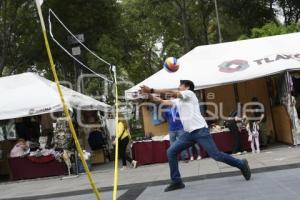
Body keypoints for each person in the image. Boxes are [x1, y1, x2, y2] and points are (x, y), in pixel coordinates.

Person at [141, 80, 251, 192]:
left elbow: (171, 93)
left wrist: (151, 90)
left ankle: (241, 164)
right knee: (171, 152)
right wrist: (149, 95)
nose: (178, 87)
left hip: (200, 131)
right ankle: (177, 181)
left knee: (216, 155)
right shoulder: (178, 101)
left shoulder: (190, 94)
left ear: (187, 87)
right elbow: (162, 102)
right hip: (188, 134)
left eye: (181, 85)